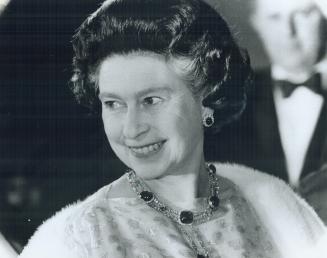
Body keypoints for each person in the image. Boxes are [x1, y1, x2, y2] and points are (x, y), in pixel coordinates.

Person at [19, 0, 326, 257]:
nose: (132, 128)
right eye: (113, 103)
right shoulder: (78, 240)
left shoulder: (271, 204)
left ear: (207, 97)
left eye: (151, 100)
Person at [212, 0, 327, 189]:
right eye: (275, 18)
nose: (288, 31)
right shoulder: (227, 99)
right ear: (257, 23)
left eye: (303, 14)